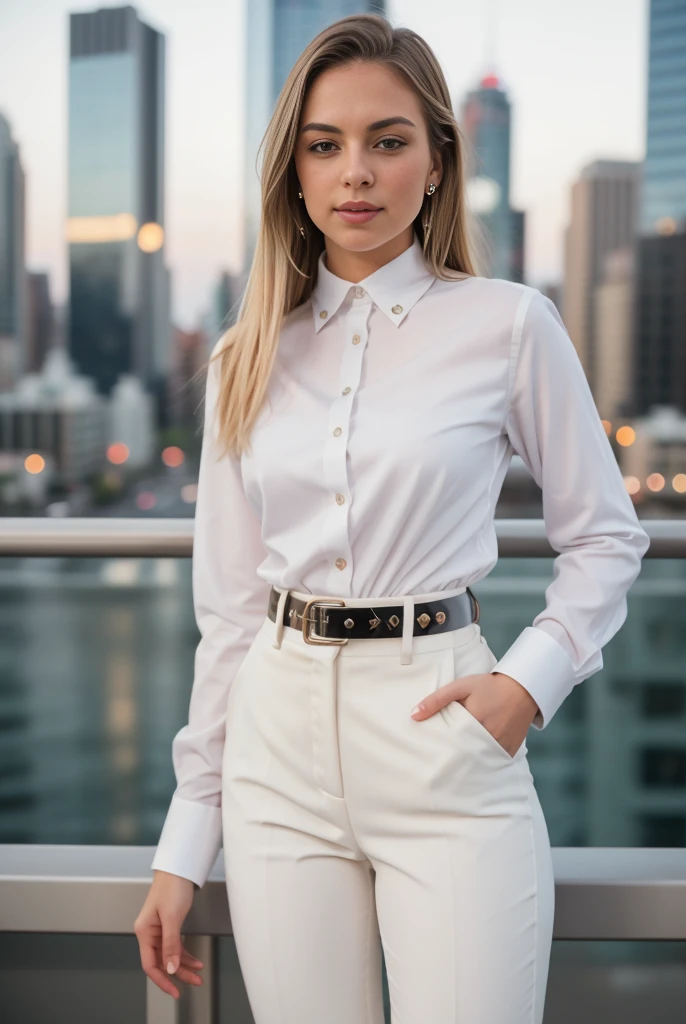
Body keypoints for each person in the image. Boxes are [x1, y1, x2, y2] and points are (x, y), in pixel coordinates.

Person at [134, 13, 651, 1023]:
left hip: (445, 737)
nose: (355, 173)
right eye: (325, 146)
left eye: (388, 140)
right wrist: (184, 844)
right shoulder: (247, 352)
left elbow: (605, 534)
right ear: (293, 172)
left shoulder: (508, 324)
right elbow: (231, 615)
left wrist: (525, 685)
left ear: (438, 161)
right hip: (274, 761)